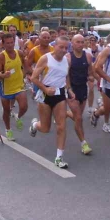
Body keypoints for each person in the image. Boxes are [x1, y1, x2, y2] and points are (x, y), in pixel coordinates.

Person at [29, 36, 74, 168]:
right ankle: (35, 125)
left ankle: (59, 157)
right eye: (61, 47)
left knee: (61, 126)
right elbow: (34, 78)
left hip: (60, 94)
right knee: (45, 128)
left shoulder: (67, 60)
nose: (64, 50)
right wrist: (45, 89)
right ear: (55, 46)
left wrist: (69, 89)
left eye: (66, 48)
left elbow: (65, 76)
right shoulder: (46, 58)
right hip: (45, 95)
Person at [0, 33, 28, 141]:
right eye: (7, 43)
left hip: (19, 85)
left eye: (12, 42)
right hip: (6, 88)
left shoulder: (20, 53)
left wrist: (24, 74)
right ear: (3, 44)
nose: (10, 45)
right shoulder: (1, 57)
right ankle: (8, 130)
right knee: (6, 111)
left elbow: (26, 66)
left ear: (15, 42)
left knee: (24, 106)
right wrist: (3, 75)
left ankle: (18, 117)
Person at [66, 34, 94, 155]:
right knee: (78, 118)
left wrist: (91, 77)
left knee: (78, 117)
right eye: (78, 42)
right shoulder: (68, 57)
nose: (80, 44)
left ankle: (66, 113)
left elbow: (90, 71)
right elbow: (65, 75)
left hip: (83, 89)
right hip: (72, 90)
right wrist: (68, 89)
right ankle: (84, 143)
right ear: (72, 43)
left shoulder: (87, 56)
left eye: (82, 42)